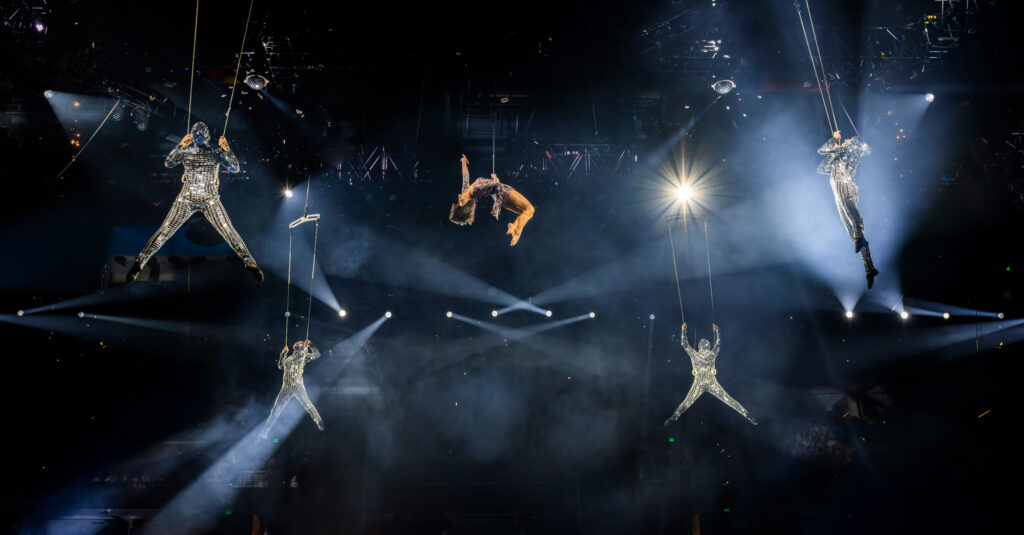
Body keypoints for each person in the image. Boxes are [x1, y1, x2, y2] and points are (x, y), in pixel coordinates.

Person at [127, 121, 263, 282]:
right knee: (228, 232)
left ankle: (140, 262)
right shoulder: (215, 151)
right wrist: (227, 148)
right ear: (207, 137)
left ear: (193, 136)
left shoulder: (196, 152)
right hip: (198, 199)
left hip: (196, 199)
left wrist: (181, 145)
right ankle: (250, 263)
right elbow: (235, 167)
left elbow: (169, 162)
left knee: (165, 232)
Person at [818, 130, 879, 289]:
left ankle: (860, 239)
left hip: (844, 183)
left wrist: (834, 139)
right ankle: (869, 268)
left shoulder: (851, 150)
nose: (845, 139)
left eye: (848, 139)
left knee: (853, 216)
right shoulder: (839, 154)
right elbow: (821, 168)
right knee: (849, 228)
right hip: (838, 186)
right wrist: (834, 153)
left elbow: (821, 150)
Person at [664, 323, 757, 426]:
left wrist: (683, 330)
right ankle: (747, 415)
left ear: (699, 347)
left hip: (700, 383)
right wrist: (718, 331)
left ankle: (673, 418)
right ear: (708, 346)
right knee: (729, 400)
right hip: (711, 383)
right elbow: (719, 344)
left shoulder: (695, 354)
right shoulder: (711, 354)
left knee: (687, 402)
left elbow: (684, 344)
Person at [449, 154, 535, 246]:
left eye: (459, 201)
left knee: (524, 213)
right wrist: (495, 178)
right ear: (468, 201)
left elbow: (465, 176)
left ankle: (513, 226)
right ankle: (517, 233)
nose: (460, 198)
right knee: (530, 209)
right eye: (462, 201)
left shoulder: (466, 190)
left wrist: (463, 162)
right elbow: (495, 183)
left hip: (499, 199)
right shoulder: (475, 189)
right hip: (504, 192)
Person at [259, 340, 324, 439]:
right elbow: (280, 366)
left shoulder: (304, 356)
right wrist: (283, 354)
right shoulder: (289, 359)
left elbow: (317, 355)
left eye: (300, 342)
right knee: (276, 409)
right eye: (298, 342)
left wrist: (311, 345)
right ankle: (265, 431)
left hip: (297, 385)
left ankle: (319, 421)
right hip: (286, 387)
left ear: (302, 347)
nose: (298, 342)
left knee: (307, 404)